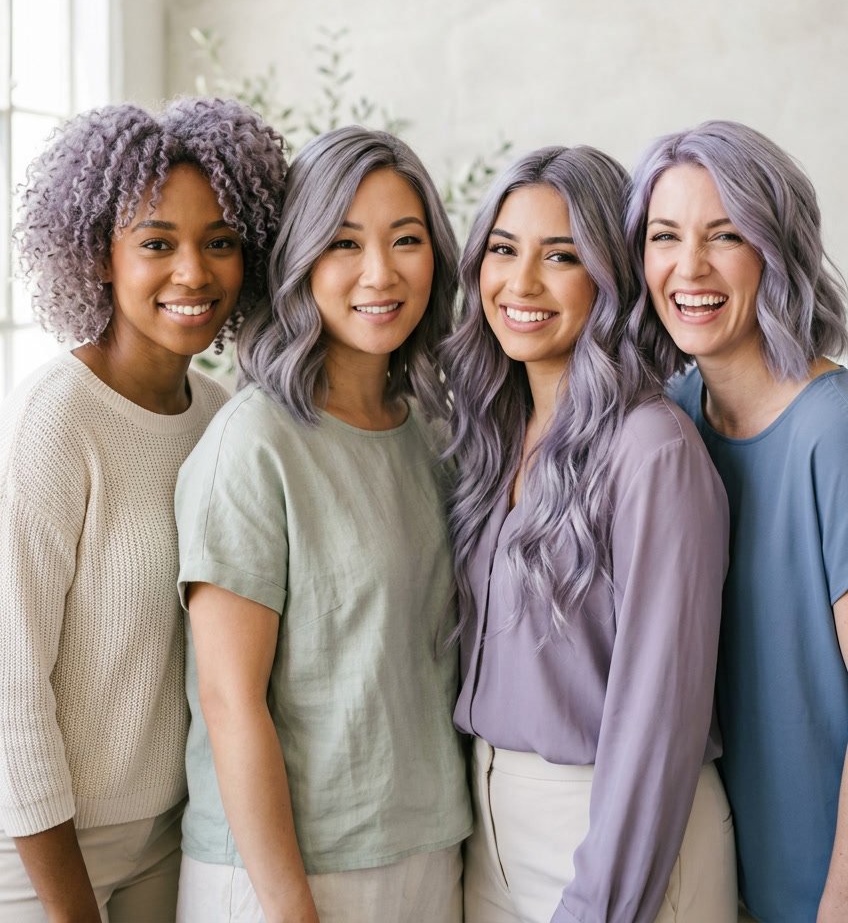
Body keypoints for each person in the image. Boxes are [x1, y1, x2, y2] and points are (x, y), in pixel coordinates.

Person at [0, 97, 288, 923]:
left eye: (221, 243)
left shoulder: (219, 414)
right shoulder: (53, 420)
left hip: (172, 836)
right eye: (157, 243)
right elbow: (11, 691)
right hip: (39, 853)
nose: (194, 273)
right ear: (99, 254)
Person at [174, 126, 471, 923]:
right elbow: (230, 699)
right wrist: (288, 907)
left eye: (406, 240)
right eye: (344, 242)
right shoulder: (253, 444)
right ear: (300, 261)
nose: (381, 272)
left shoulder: (433, 435)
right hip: (284, 876)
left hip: (428, 852)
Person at [444, 145, 737, 923]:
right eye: (503, 250)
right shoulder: (494, 431)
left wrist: (603, 902)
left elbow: (659, 719)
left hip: (619, 840)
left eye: (561, 257)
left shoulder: (653, 447)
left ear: (610, 278)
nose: (522, 283)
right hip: (491, 831)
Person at [627, 119, 848, 923]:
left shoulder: (834, 431)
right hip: (712, 879)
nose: (689, 267)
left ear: (776, 249)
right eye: (664, 236)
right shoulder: (666, 425)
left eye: (726, 235)